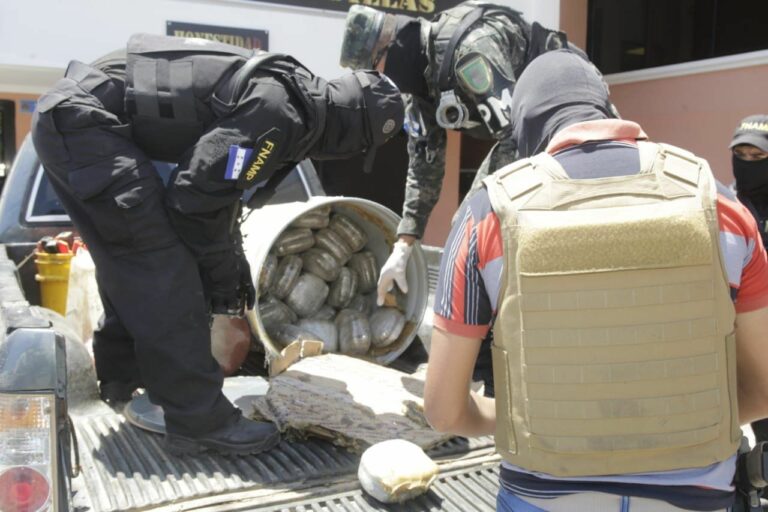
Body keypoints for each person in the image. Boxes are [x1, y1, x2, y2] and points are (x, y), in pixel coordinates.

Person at [423, 50, 768, 511]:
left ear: (526, 128)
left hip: (546, 498)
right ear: (607, 109)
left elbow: (443, 410)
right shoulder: (724, 208)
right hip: (696, 497)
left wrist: (530, 420)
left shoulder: (486, 214)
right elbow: (762, 391)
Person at [31, 33, 404, 456]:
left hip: (77, 121)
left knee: (136, 258)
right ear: (350, 132)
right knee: (162, 266)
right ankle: (198, 421)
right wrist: (220, 272)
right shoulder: (282, 113)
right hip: (84, 124)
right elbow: (192, 196)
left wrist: (230, 260)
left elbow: (217, 190)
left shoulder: (294, 96)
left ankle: (123, 376)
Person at [339, 2, 606, 304]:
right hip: (530, 127)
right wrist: (404, 244)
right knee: (474, 224)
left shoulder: (471, 52)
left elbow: (516, 136)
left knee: (474, 223)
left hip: (575, 102)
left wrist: (469, 219)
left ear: (391, 47)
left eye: (375, 68)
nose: (380, 80)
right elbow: (424, 167)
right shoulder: (422, 84)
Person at [729, 114, 768, 446]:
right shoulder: (727, 206)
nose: (747, 163)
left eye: (757, 156)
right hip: (744, 336)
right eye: (740, 155)